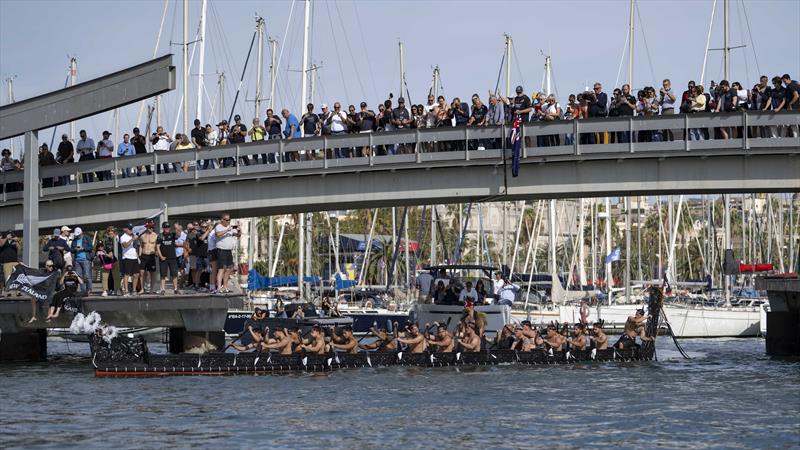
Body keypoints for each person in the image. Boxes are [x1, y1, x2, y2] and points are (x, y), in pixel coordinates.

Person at [214, 214, 239, 294]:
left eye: (229, 220)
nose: (228, 221)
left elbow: (238, 235)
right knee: (221, 269)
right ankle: (219, 287)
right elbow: (218, 234)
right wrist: (227, 230)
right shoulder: (219, 226)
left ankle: (225, 286)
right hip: (221, 250)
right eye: (227, 220)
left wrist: (239, 229)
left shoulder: (231, 228)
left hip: (228, 251)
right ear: (222, 220)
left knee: (229, 269)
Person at [156, 222, 179, 295]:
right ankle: (162, 289)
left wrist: (176, 228)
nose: (167, 229)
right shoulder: (160, 236)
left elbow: (178, 235)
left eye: (168, 227)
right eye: (165, 227)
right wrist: (161, 256)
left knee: (174, 274)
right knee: (163, 274)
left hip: (172, 257)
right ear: (163, 228)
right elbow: (157, 247)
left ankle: (175, 289)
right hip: (164, 258)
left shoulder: (172, 235)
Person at [70, 227, 93, 295]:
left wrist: (83, 248)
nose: (78, 236)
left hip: (85, 259)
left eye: (79, 235)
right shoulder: (74, 240)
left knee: (87, 276)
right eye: (77, 235)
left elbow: (91, 247)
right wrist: (75, 249)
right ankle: (83, 290)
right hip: (77, 260)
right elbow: (71, 250)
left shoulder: (87, 238)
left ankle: (89, 290)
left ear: (81, 233)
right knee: (79, 276)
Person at [137, 221, 158, 295]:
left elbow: (157, 246)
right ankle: (142, 289)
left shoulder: (155, 236)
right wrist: (139, 255)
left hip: (151, 255)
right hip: (144, 255)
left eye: (152, 227)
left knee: (152, 273)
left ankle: (151, 289)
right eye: (150, 227)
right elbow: (140, 246)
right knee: (141, 273)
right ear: (147, 228)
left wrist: (157, 252)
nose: (151, 229)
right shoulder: (142, 236)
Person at [119, 224, 139, 296]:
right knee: (126, 274)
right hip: (127, 257)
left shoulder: (133, 235)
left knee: (136, 274)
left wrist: (137, 256)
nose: (131, 230)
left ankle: (134, 290)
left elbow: (135, 247)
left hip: (134, 257)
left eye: (132, 229)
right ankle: (126, 290)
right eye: (130, 229)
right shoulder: (123, 237)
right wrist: (132, 239)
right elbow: (125, 245)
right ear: (126, 229)